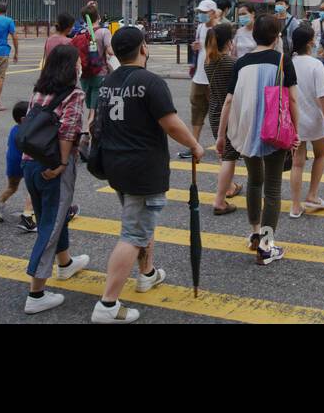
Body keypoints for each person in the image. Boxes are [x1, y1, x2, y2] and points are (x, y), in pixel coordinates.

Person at [94, 28, 204, 324]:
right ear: (144, 48)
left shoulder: (108, 82)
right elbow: (170, 124)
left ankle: (147, 273)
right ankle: (107, 304)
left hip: (115, 165)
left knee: (141, 223)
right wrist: (194, 144)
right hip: (143, 169)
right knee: (133, 234)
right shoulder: (150, 81)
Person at [216, 13, 300, 265]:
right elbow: (293, 99)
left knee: (254, 181)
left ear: (254, 35)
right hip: (274, 130)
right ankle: (266, 246)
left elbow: (229, 100)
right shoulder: (282, 60)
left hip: (245, 129)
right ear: (277, 37)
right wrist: (296, 131)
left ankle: (254, 233)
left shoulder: (241, 63)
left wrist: (221, 135)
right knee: (273, 189)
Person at [22, 44, 92, 314]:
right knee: (50, 225)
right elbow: (68, 131)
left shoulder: (39, 90)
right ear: (71, 67)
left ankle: (65, 263)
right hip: (54, 165)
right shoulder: (74, 94)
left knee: (52, 216)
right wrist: (63, 163)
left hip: (30, 162)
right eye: (78, 62)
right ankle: (36, 293)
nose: (80, 65)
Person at [288, 27, 324, 217]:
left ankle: (295, 206)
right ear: (309, 43)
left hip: (295, 120)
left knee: (297, 163)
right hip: (314, 119)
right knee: (320, 155)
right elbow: (323, 96)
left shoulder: (288, 62)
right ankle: (312, 195)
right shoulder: (315, 64)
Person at [205, 23, 245, 215]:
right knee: (229, 156)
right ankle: (220, 201)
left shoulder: (209, 61)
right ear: (229, 42)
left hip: (214, 113)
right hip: (229, 114)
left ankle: (230, 186)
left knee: (225, 153)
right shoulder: (232, 63)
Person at [181, 0, 222, 160]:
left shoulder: (220, 29)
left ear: (213, 13)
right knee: (196, 110)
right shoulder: (199, 28)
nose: (201, 15)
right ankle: (194, 145)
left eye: (204, 12)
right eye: (200, 12)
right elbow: (200, 50)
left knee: (217, 113)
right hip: (199, 76)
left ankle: (224, 146)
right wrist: (196, 47)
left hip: (214, 77)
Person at [0, 102, 38, 233]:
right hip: (25, 162)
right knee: (33, 189)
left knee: (12, 187)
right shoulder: (29, 131)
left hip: (11, 162)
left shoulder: (13, 129)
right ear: (24, 119)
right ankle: (28, 215)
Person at [74, 5, 113, 111]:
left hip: (84, 73)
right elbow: (110, 51)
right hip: (100, 72)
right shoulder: (104, 32)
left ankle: (90, 125)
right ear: (98, 16)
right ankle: (92, 126)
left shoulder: (79, 33)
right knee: (97, 108)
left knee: (90, 105)